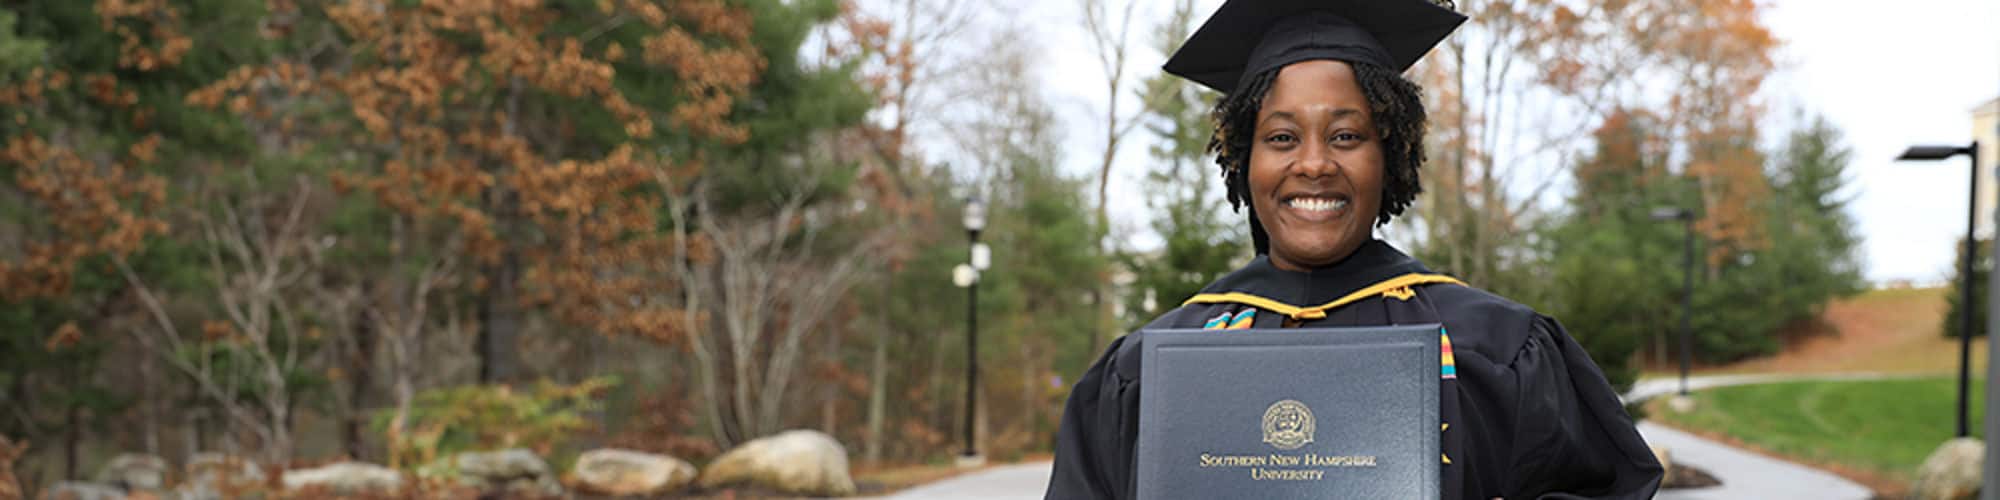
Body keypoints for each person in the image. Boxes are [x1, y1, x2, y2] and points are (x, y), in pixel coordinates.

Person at [1043, 0, 1663, 498]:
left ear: (1388, 157)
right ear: (1244, 160)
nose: (1314, 163)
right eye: (1282, 136)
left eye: (1346, 135)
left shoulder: (1497, 347)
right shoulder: (1150, 365)